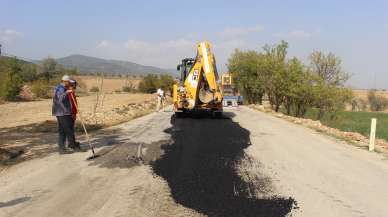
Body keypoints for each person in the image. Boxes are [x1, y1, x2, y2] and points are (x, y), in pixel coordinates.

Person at [52, 75, 78, 154]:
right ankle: (73, 146)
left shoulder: (62, 88)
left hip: (62, 112)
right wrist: (67, 92)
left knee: (62, 131)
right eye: (69, 82)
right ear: (65, 81)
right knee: (69, 130)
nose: (70, 83)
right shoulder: (60, 88)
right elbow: (60, 99)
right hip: (63, 112)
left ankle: (62, 149)